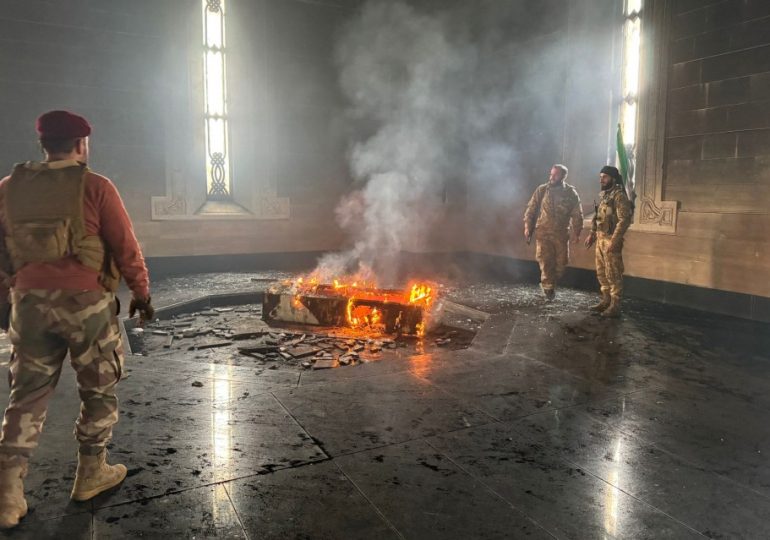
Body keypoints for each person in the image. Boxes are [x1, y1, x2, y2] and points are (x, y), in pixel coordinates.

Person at [0, 110, 155, 529]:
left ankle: (8, 494)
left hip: (29, 305)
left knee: (26, 397)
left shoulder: (7, 189)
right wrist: (141, 294)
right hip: (87, 306)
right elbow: (126, 247)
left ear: (43, 144)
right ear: (82, 144)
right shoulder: (96, 186)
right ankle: (91, 473)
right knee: (98, 388)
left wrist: (8, 301)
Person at [523, 164, 583, 300]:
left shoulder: (570, 193)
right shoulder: (542, 190)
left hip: (561, 234)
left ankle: (550, 282)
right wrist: (527, 226)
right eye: (551, 174)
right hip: (543, 232)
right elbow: (531, 209)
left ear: (563, 176)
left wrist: (577, 232)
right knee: (545, 261)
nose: (552, 177)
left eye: (555, 174)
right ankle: (548, 288)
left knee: (561, 263)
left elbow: (577, 213)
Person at [584, 165, 633, 318]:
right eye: (601, 177)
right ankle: (605, 300)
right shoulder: (605, 196)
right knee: (601, 272)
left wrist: (615, 240)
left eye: (604, 177)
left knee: (613, 273)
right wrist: (592, 233)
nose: (601, 180)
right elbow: (598, 217)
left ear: (612, 178)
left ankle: (615, 305)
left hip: (611, 239)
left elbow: (624, 220)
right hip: (600, 238)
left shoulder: (619, 196)